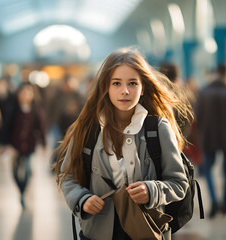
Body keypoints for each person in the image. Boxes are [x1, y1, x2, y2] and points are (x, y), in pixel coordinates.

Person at [54, 47, 191, 240]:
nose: (125, 91)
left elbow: (179, 182)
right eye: (116, 83)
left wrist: (152, 190)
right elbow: (67, 176)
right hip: (97, 231)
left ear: (142, 87)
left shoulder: (157, 129)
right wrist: (82, 200)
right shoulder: (88, 128)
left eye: (132, 83)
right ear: (106, 87)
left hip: (146, 229)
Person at [195, 63, 226, 217]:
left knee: (207, 169)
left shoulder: (204, 91)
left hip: (208, 137)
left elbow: (197, 116)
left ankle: (214, 200)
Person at [2, 82, 46, 209]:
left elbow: (41, 128)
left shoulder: (36, 109)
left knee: (27, 170)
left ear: (33, 94)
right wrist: (4, 144)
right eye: (23, 91)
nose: (25, 94)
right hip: (14, 146)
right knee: (14, 172)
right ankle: (21, 190)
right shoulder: (12, 108)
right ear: (18, 94)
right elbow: (6, 128)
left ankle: (22, 193)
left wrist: (44, 144)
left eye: (28, 91)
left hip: (29, 145)